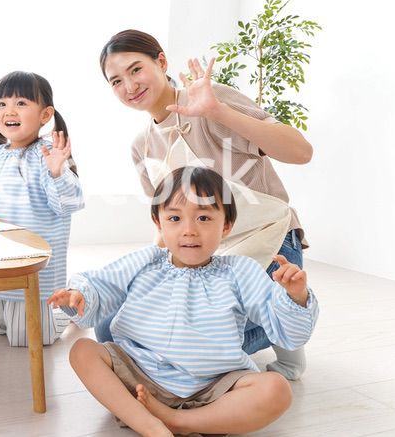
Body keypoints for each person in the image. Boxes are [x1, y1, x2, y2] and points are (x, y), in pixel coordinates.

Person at [97, 29, 313, 379]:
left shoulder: (210, 100)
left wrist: (218, 111)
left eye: (136, 70)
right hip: (201, 253)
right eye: (116, 81)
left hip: (266, 241)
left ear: (161, 62)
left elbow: (301, 152)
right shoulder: (142, 147)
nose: (129, 86)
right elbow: (165, 228)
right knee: (109, 328)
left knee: (199, 342)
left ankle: (285, 320)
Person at [48, 167, 318, 437]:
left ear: (226, 225)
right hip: (141, 376)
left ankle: (179, 421)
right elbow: (102, 283)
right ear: (159, 223)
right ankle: (149, 424)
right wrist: (80, 295)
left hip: (214, 387)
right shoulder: (145, 261)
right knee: (82, 351)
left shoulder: (240, 271)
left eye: (203, 218)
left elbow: (286, 329)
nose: (189, 231)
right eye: (175, 218)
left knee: (277, 390)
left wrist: (295, 297)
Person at [0, 71, 84, 346]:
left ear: (45, 115)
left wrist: (58, 172)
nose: (9, 110)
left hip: (35, 272)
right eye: (1, 104)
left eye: (21, 103)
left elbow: (69, 203)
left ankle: (70, 305)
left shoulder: (49, 154)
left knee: (29, 338)